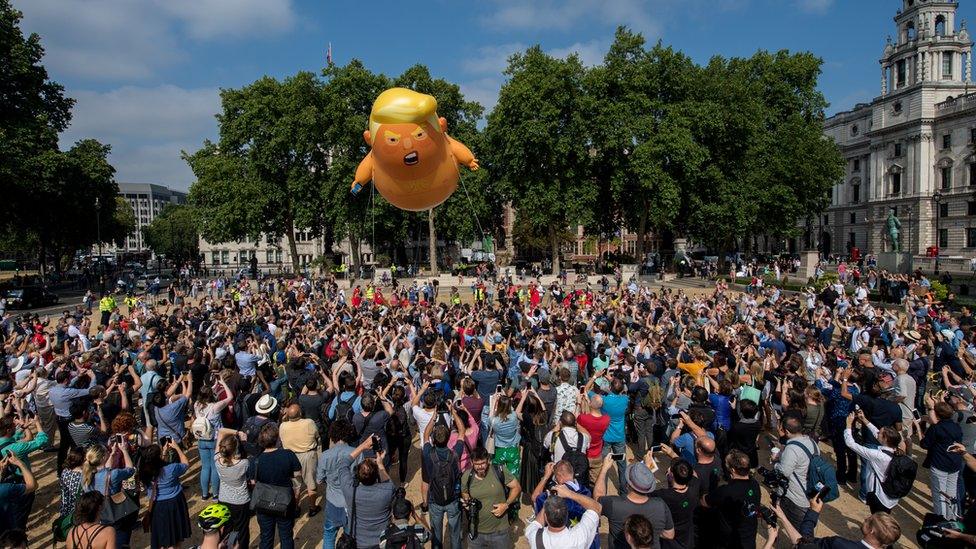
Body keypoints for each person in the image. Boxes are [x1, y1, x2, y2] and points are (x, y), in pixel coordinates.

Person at [595, 452, 675, 549]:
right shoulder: (660, 505)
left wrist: (604, 469)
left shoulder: (613, 504)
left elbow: (597, 499)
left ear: (628, 485)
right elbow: (669, 534)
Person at [250, 422, 301, 549]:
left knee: (266, 537)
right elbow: (297, 474)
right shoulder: (288, 454)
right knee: (286, 536)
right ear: (277, 439)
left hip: (263, 501)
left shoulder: (256, 460)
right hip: (285, 501)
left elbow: (253, 482)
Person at [843, 409, 903, 514]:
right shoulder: (896, 450)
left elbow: (850, 443)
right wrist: (864, 419)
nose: (877, 432)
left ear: (885, 439)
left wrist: (848, 425)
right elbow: (876, 433)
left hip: (879, 496)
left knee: (878, 519)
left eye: (880, 433)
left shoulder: (878, 455)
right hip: (890, 497)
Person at [461, 447, 522, 549]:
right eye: (477, 464)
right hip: (476, 531)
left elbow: (516, 487)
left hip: (499, 532)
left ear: (488, 460)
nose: (480, 467)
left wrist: (506, 505)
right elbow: (464, 491)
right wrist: (468, 502)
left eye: (483, 463)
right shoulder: (467, 476)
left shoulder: (499, 470)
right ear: (471, 463)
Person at [701, 450, 760, 549]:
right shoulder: (754, 484)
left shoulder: (726, 491)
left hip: (730, 542)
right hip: (749, 539)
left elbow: (704, 502)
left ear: (732, 470)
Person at [140, 440, 192, 549]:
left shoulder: (144, 472)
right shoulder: (171, 469)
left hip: (157, 506)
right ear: (158, 457)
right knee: (175, 539)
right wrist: (177, 448)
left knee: (162, 537)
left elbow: (157, 468)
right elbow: (186, 464)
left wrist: (163, 453)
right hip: (174, 504)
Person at [421, 423, 464, 549]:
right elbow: (461, 431)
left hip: (435, 500)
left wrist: (434, 416)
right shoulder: (455, 454)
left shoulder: (428, 453)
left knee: (436, 536)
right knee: (455, 535)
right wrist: (453, 411)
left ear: (433, 439)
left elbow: (425, 434)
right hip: (453, 499)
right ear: (449, 438)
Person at [921, 399, 964, 520]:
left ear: (938, 414)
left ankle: (941, 521)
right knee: (951, 494)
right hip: (954, 463)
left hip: (940, 465)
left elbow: (924, 444)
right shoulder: (957, 427)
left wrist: (921, 432)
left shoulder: (936, 428)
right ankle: (952, 519)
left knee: (939, 495)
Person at [193, 378, 233, 501]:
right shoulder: (215, 407)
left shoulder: (196, 405)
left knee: (205, 467)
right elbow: (230, 397)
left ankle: (205, 494)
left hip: (201, 439)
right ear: (211, 395)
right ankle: (215, 494)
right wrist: (223, 382)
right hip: (215, 439)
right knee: (215, 466)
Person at [773, 414, 816, 529]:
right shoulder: (812, 442)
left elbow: (784, 472)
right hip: (810, 491)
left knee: (798, 533)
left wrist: (775, 463)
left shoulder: (792, 448)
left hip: (796, 497)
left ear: (786, 431)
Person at [525, 485, 601, 549]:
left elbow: (537, 522)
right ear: (566, 515)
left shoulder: (534, 536)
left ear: (546, 517)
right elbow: (597, 507)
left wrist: (550, 500)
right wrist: (569, 493)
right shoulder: (579, 537)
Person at [344, 456, 395, 549]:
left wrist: (363, 446)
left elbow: (342, 465)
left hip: (359, 543)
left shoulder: (350, 491)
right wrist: (380, 464)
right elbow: (388, 481)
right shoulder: (387, 491)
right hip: (382, 542)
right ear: (376, 475)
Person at [279, 403, 321, 517]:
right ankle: (312, 508)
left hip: (291, 457)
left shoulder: (283, 426)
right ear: (300, 413)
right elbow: (316, 435)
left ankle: (296, 508)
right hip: (308, 456)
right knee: (311, 482)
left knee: (295, 485)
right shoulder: (309, 422)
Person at [649, 458, 699, 549]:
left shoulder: (665, 495)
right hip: (687, 538)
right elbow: (694, 474)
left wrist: (648, 468)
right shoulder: (694, 487)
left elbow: (644, 493)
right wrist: (672, 454)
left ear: (671, 474)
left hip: (670, 540)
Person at [214, 429, 251, 549]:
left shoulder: (217, 461)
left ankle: (227, 546)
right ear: (235, 449)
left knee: (227, 528)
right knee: (242, 531)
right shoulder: (244, 464)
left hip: (224, 499)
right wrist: (241, 434)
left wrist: (236, 432)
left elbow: (220, 431)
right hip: (240, 501)